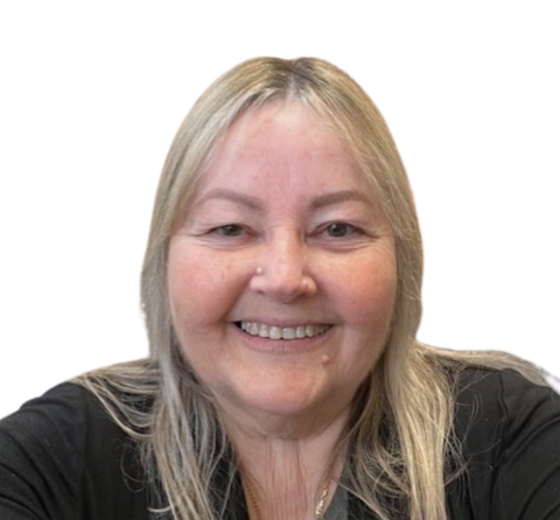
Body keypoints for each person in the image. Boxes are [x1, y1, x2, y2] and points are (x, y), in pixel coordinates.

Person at [1, 57, 559, 520]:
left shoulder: (511, 435)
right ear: (164, 259)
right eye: (230, 229)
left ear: (402, 259)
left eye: (337, 229)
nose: (287, 278)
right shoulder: (52, 458)